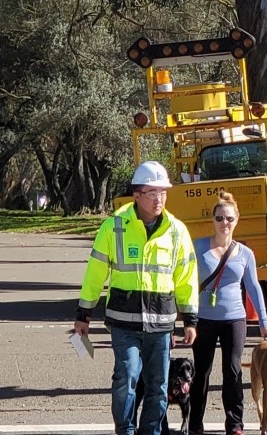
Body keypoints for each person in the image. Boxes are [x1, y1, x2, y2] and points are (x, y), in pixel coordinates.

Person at [74, 161, 199, 435]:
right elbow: (95, 273)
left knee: (159, 385)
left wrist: (190, 319)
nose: (159, 199)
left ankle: (151, 431)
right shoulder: (113, 227)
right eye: (152, 193)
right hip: (123, 323)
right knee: (126, 378)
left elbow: (186, 276)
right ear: (137, 195)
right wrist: (84, 314)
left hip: (161, 324)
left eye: (163, 192)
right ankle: (125, 430)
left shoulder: (177, 231)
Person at [191, 192, 267, 435]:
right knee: (202, 370)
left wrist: (264, 321)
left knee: (233, 369)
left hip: (234, 318)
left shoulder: (245, 253)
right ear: (212, 220)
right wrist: (185, 316)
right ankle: (195, 423)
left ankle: (235, 423)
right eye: (219, 218)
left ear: (236, 220)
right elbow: (184, 281)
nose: (224, 223)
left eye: (228, 218)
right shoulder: (198, 247)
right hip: (203, 318)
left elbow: (253, 287)